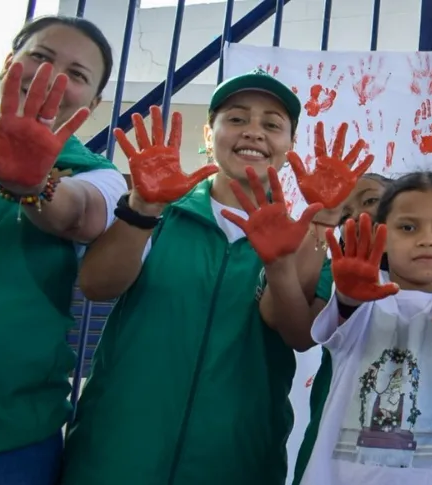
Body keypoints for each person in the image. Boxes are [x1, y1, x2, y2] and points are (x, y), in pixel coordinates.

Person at [63, 69, 348, 484]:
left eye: (272, 125)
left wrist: (314, 229)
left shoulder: (302, 238)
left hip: (236, 460)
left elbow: (299, 335)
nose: (253, 132)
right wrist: (143, 207)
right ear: (209, 135)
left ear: (289, 146)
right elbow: (96, 285)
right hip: (117, 453)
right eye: (236, 118)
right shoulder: (160, 211)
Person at [299, 171, 432, 484]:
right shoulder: (362, 295)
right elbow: (340, 321)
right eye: (408, 227)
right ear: (380, 235)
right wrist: (348, 299)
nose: (427, 239)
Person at [0, 15, 123, 484]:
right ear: (10, 62)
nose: (52, 79)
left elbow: (78, 214)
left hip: (10, 436)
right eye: (40, 58)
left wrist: (33, 184)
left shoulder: (98, 173)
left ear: (95, 102)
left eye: (77, 74)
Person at [290, 171, 394, 485]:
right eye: (344, 214)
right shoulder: (333, 275)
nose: (358, 215)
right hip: (330, 452)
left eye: (371, 200)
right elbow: (303, 333)